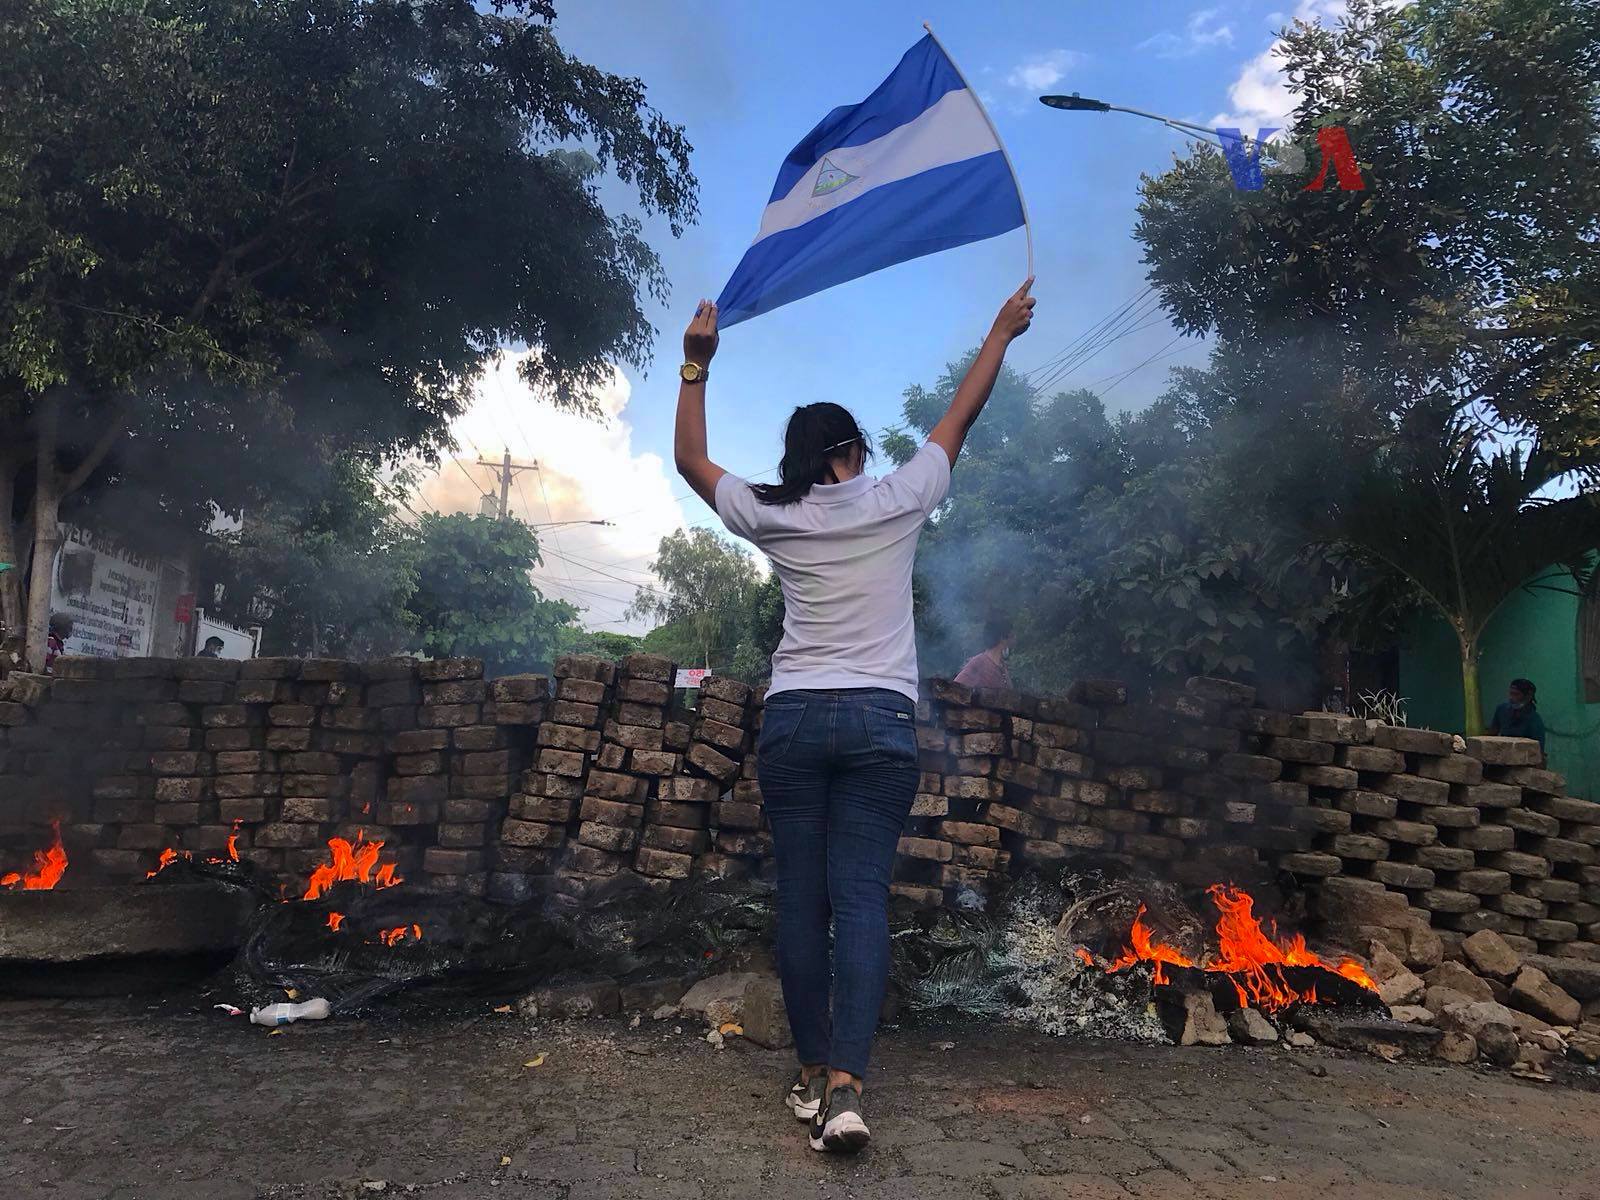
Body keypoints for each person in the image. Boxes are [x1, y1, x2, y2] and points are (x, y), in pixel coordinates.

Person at [673, 281, 1035, 1154]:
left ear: (802, 458)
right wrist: (997, 332)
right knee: (861, 900)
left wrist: (697, 365)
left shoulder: (775, 513)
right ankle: (845, 1090)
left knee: (802, 901)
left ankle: (806, 1071)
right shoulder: (900, 498)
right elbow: (963, 414)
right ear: (851, 450)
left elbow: (690, 463)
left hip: (795, 721)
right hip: (879, 724)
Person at [954, 615, 1015, 691]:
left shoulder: (1001, 665)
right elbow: (954, 691)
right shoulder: (978, 663)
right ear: (1002, 638)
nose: (1014, 640)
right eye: (1012, 636)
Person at [1489, 678, 1546, 753]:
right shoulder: (1501, 709)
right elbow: (1492, 735)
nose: (1511, 698)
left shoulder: (1535, 721)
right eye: (1511, 694)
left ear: (1528, 697)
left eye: (1516, 694)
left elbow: (1538, 751)